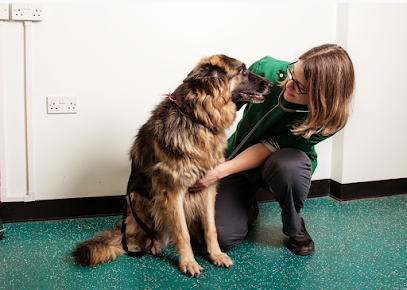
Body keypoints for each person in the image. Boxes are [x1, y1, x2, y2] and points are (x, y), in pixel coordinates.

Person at [189, 44, 355, 256]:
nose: (289, 85)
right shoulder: (265, 71)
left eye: (300, 87)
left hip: (282, 167)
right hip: (238, 157)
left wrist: (219, 171)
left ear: (322, 99)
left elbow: (269, 147)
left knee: (289, 167)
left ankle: (294, 226)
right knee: (221, 237)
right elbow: (218, 109)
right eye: (293, 73)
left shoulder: (329, 120)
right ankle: (246, 204)